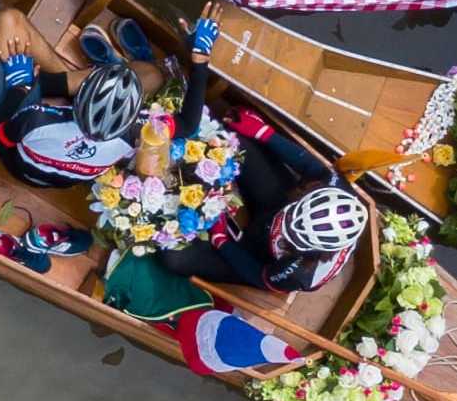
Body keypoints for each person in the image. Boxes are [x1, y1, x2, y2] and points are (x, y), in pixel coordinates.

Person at [155, 19, 369, 293]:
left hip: (260, 253)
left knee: (174, 258)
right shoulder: (336, 189)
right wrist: (264, 133)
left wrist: (223, 240)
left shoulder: (303, 273)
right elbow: (305, 163)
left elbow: (261, 276)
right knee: (233, 141)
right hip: (277, 201)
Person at [0, 6, 166, 193]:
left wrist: (21, 88)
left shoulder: (37, 119)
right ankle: (113, 74)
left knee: (8, 20)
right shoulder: (131, 135)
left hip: (21, 155)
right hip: (61, 169)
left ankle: (107, 72)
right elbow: (185, 126)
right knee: (153, 76)